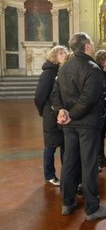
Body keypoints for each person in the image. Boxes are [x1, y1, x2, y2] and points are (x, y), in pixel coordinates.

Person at [52, 32, 106, 221]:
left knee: (69, 162)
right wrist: (70, 114)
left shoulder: (64, 67)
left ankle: (67, 202)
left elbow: (55, 95)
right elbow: (89, 99)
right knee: (88, 164)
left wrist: (62, 110)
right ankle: (92, 208)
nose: (94, 45)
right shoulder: (92, 68)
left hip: (70, 125)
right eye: (92, 43)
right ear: (86, 46)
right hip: (86, 123)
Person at [34, 45, 68, 186]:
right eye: (61, 53)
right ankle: (49, 175)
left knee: (64, 144)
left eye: (65, 53)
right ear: (54, 56)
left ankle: (66, 174)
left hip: (61, 113)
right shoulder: (48, 73)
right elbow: (39, 96)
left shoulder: (62, 71)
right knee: (51, 146)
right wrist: (45, 111)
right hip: (51, 114)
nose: (64, 55)